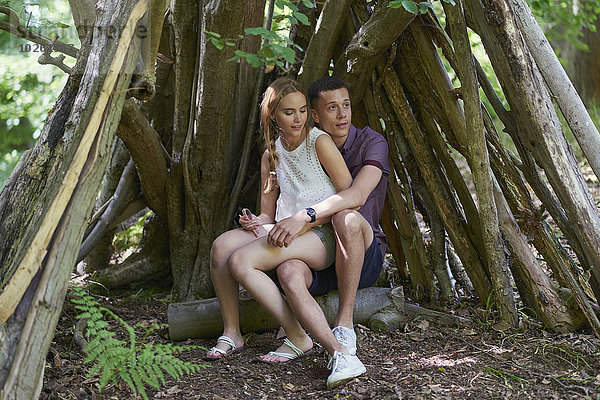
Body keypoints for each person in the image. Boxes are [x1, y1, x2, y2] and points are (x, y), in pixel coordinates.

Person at [205, 78, 358, 380]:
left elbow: (347, 194)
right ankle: (232, 332)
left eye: (302, 110)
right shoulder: (271, 155)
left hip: (320, 234)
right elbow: (267, 214)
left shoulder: (319, 142)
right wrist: (255, 222)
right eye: (289, 112)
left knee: (241, 261)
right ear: (272, 115)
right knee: (222, 247)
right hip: (283, 230)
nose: (298, 118)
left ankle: (300, 337)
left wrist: (305, 218)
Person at [265, 76, 389, 388]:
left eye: (346, 105)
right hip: (319, 253)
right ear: (315, 115)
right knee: (289, 270)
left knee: (345, 218)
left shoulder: (371, 142)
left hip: (361, 252)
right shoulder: (300, 146)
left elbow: (357, 195)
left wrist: (303, 216)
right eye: (332, 108)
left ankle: (344, 324)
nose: (343, 114)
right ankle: (326, 348)